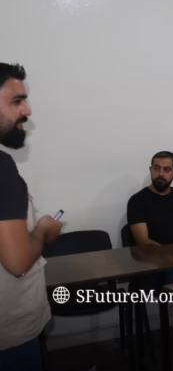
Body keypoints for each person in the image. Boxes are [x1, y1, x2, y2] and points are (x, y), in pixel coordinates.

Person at [0, 63, 62, 370]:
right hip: (10, 337)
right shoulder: (2, 168)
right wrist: (43, 231)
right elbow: (17, 261)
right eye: (17, 101)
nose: (27, 111)